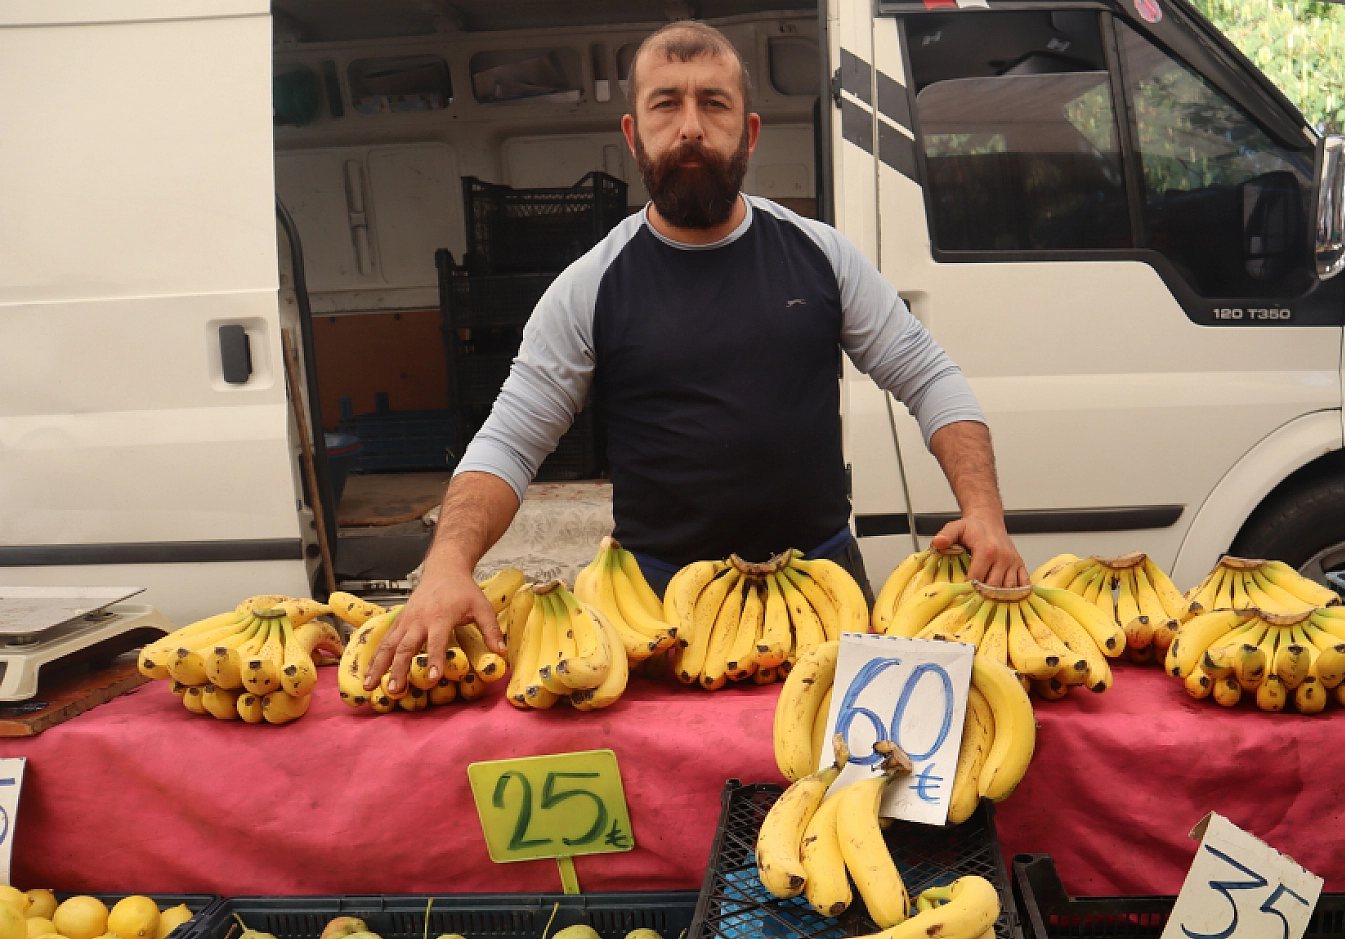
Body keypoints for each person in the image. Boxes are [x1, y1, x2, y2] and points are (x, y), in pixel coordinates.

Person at [367, 19, 1026, 694]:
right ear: (633, 134)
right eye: (666, 103)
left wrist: (984, 512)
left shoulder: (822, 257)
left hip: (823, 594)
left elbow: (929, 377)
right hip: (660, 616)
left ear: (750, 131)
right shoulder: (590, 285)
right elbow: (508, 440)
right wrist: (448, 563)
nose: (690, 126)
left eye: (714, 103)